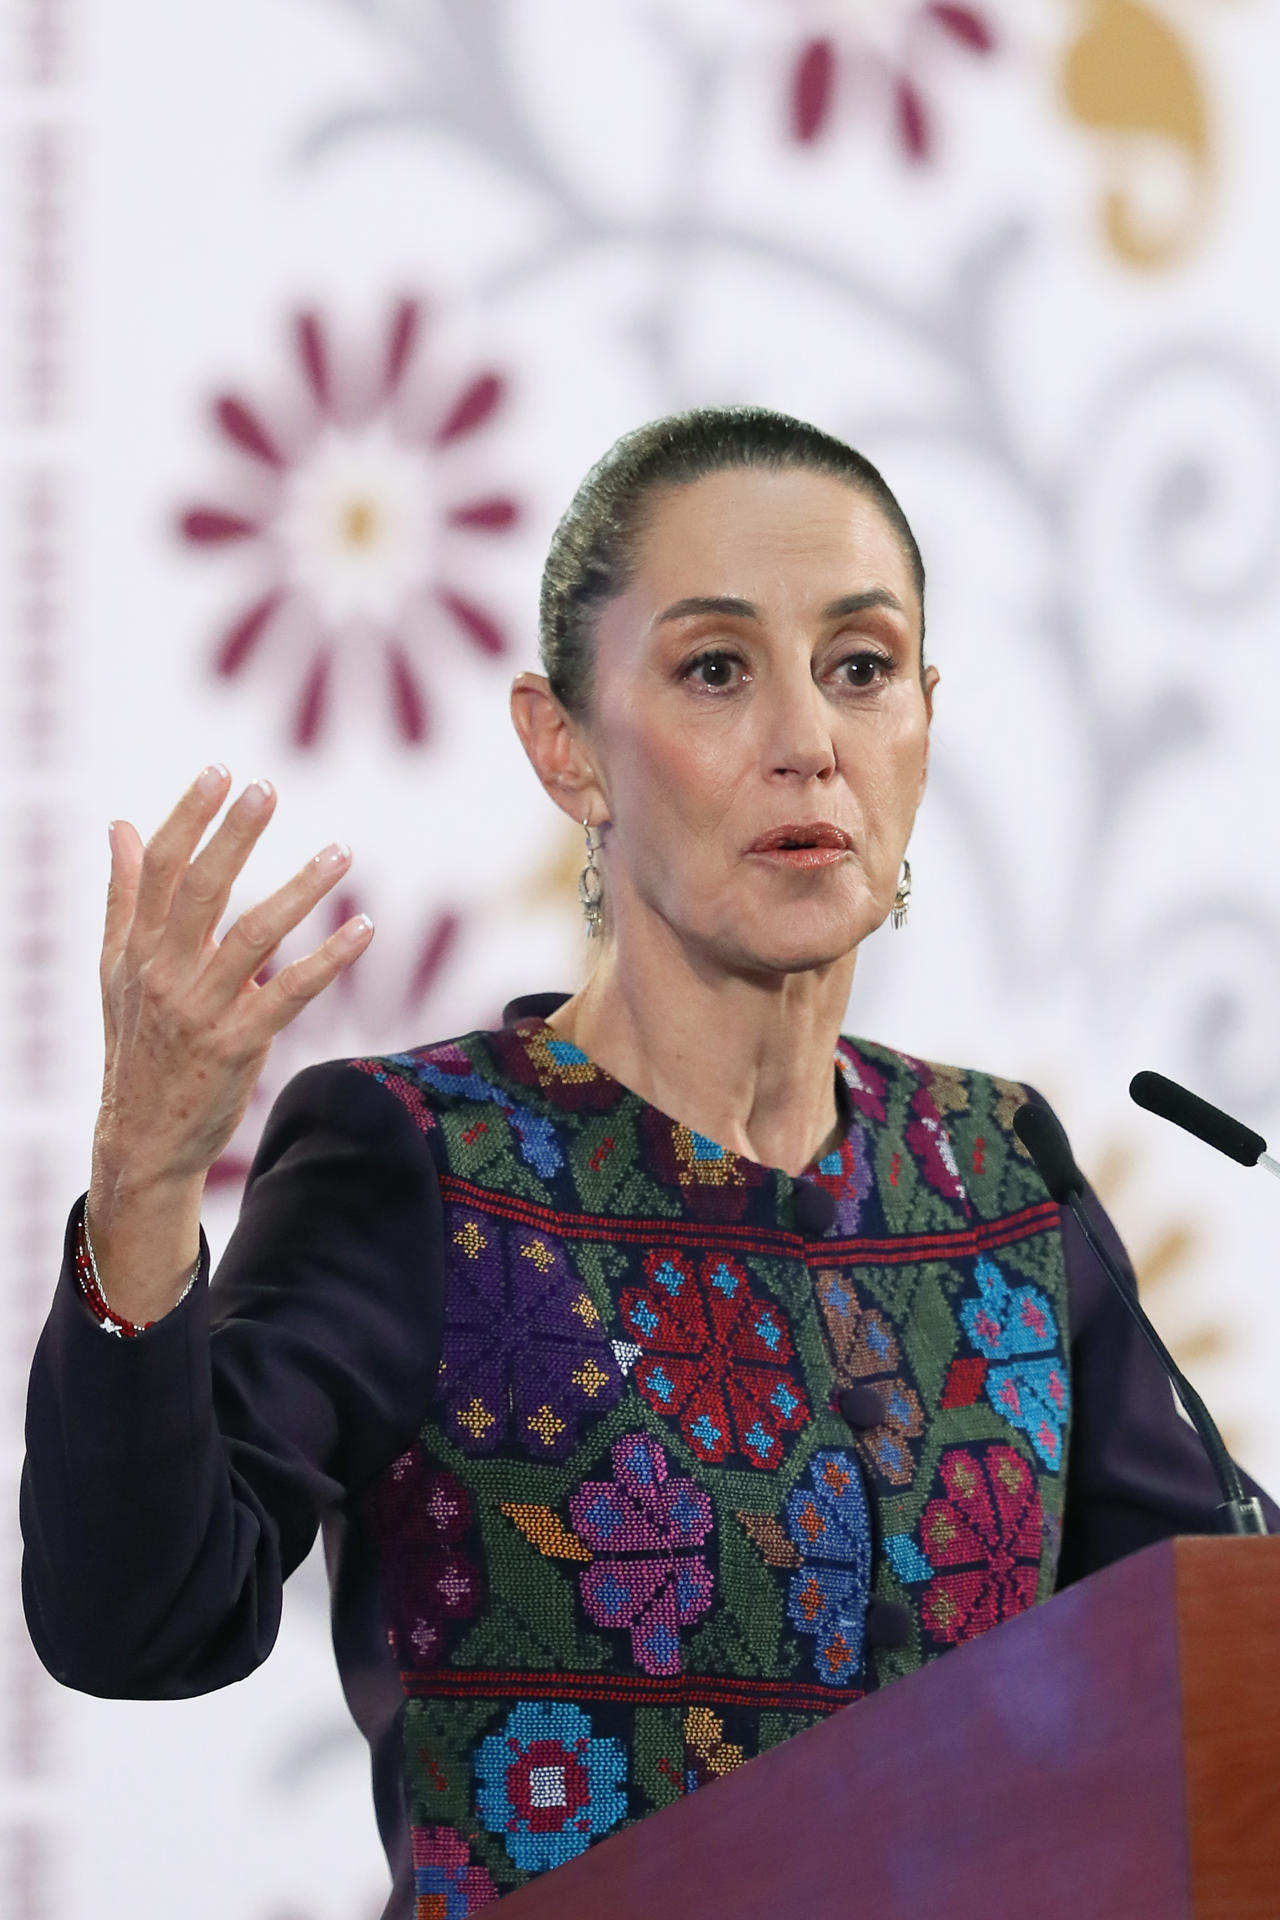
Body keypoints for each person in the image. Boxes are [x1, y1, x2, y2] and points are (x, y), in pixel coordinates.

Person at [21, 408, 1276, 1917]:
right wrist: (148, 1186)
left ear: (925, 723)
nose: (809, 740)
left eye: (863, 669)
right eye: (716, 670)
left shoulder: (998, 1171)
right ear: (567, 749)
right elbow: (139, 1619)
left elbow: (1224, 1653)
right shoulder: (422, 1161)